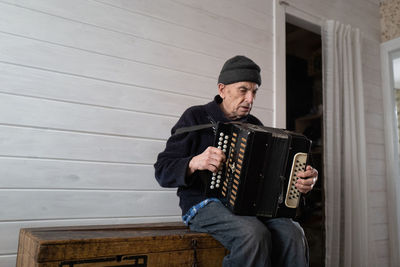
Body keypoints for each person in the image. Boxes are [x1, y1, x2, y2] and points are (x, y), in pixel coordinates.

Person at [154, 55, 318, 267]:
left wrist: (303, 181)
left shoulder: (255, 125)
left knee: (294, 233)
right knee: (252, 233)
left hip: (249, 208)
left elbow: (275, 176)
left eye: (254, 92)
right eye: (243, 90)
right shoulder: (196, 117)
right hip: (202, 204)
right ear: (222, 89)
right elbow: (162, 169)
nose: (250, 99)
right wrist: (194, 162)